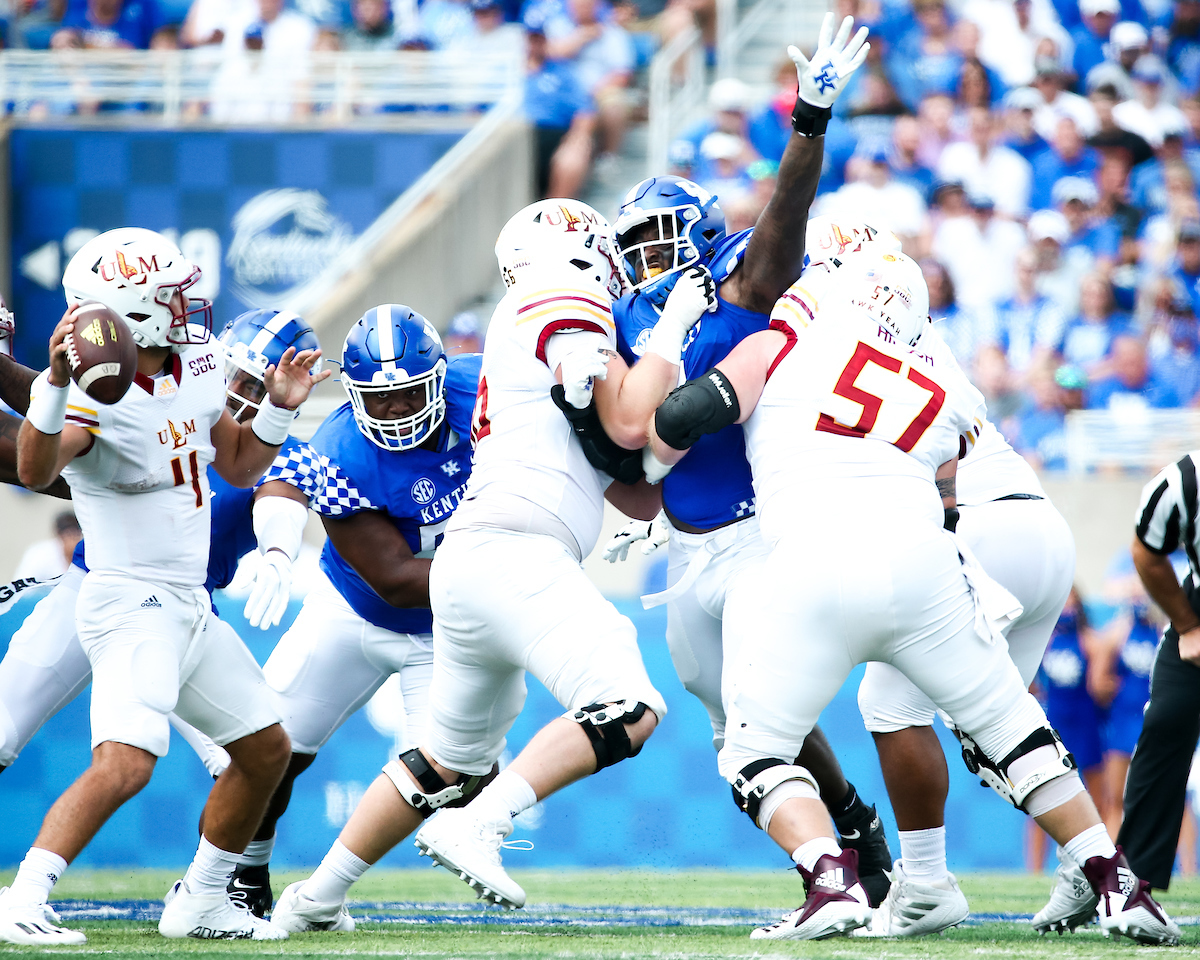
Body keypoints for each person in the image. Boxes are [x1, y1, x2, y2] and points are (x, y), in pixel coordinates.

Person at [647, 246, 1178, 945]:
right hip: (925, 554)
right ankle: (1115, 880)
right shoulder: (938, 375)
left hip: (816, 559)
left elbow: (680, 416)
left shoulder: (784, 345)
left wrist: (660, 427)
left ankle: (829, 879)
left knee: (754, 752)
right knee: (1011, 725)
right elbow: (952, 483)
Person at [271, 197, 692, 924]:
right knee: (629, 708)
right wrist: (673, 332)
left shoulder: (531, 329)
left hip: (476, 560)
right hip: (517, 553)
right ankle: (481, 822)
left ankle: (314, 897)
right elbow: (623, 415)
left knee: (445, 760)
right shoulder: (559, 289)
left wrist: (662, 427)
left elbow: (639, 490)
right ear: (578, 248)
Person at [604, 15, 897, 908]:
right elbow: (616, 435)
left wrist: (806, 125)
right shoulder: (626, 326)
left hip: (767, 536)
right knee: (727, 705)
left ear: (696, 237)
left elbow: (783, 221)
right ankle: (847, 817)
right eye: (636, 248)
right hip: (686, 548)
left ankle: (846, 867)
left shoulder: (740, 280)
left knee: (758, 722)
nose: (649, 262)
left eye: (663, 241)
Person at [0, 228, 327, 945]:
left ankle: (203, 899)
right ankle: (22, 895)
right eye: (169, 294)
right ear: (132, 312)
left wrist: (277, 407)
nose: (187, 302)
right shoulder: (93, 395)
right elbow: (32, 471)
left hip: (187, 603)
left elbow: (238, 465)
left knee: (266, 749)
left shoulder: (203, 360)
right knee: (127, 762)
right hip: (127, 598)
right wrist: (51, 382)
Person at [775, 229, 1077, 937]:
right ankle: (1089, 856)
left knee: (887, 701)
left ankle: (927, 885)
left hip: (976, 531)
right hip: (1038, 531)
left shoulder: (831, 336)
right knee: (993, 729)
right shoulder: (921, 337)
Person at [232, 305, 482, 920]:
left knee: (457, 774)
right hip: (354, 610)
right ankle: (245, 874)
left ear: (438, 378)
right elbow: (396, 582)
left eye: (406, 394)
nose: (394, 410)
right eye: (379, 398)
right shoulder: (340, 449)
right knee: (270, 753)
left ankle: (321, 894)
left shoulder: (482, 392)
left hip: (446, 634)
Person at [12, 510, 80, 581]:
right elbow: (22, 585)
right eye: (69, 534)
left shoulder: (83, 552)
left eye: (76, 534)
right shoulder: (40, 554)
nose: (73, 540)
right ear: (59, 536)